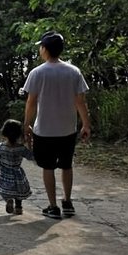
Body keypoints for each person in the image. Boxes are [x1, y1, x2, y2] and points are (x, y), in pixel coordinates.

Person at [23, 30, 91, 219]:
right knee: (67, 166)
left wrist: (26, 124)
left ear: (44, 49)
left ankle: (53, 207)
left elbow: (31, 102)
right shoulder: (73, 71)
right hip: (68, 129)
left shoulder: (37, 73)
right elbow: (80, 101)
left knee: (48, 167)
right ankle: (67, 202)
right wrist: (86, 124)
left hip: (44, 130)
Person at [0, 119, 33, 215]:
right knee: (18, 191)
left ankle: (9, 200)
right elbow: (31, 156)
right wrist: (29, 144)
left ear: (4, 133)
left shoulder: (0, 147)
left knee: (6, 190)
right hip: (17, 173)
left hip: (4, 173)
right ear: (19, 134)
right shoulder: (21, 148)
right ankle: (18, 208)